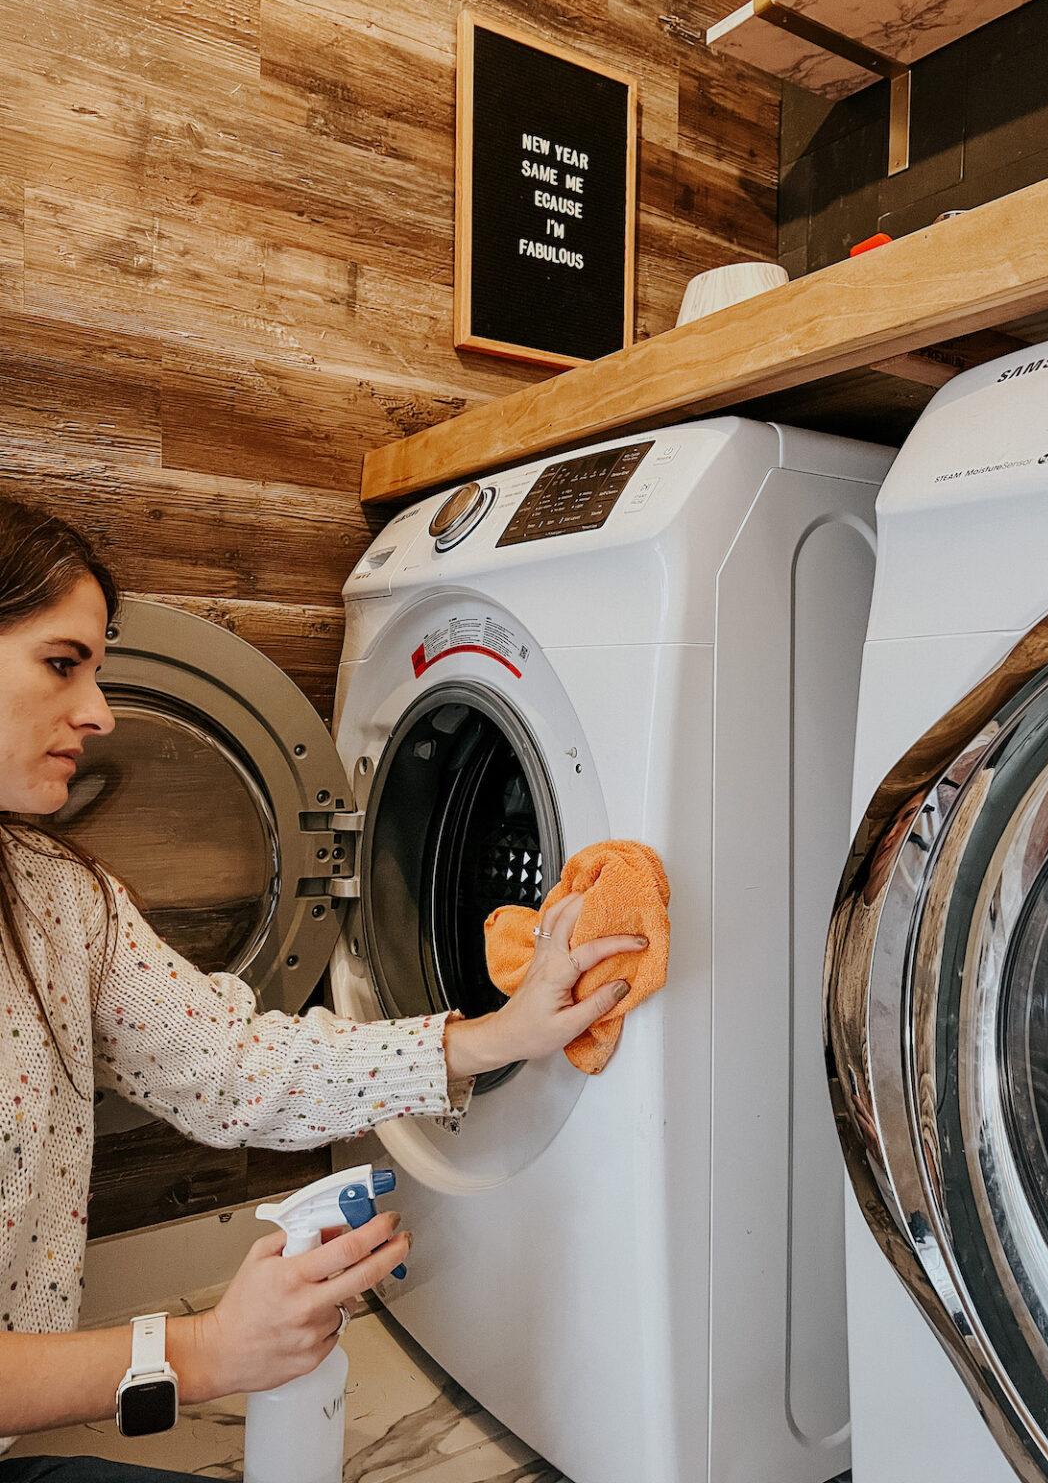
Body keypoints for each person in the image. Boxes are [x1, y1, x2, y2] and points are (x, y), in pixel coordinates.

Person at [0, 496, 647, 1481]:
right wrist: (205, 1353)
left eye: (97, 666)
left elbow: (233, 1066)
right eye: (61, 662)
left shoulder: (57, 901)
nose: (99, 711)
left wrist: (492, 1035)